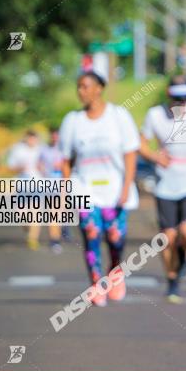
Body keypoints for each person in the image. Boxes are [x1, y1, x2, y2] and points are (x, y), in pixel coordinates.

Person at [59, 71, 139, 306]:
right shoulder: (72, 121)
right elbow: (65, 160)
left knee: (115, 237)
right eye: (78, 87)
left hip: (115, 188)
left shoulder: (118, 116)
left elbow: (130, 153)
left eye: (85, 86)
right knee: (91, 233)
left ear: (98, 89)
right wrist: (65, 191)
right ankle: (96, 281)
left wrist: (126, 187)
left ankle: (115, 271)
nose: (81, 91)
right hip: (85, 187)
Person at [139, 76, 186, 303]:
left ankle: (183, 251)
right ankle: (172, 283)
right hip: (167, 183)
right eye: (177, 98)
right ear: (169, 96)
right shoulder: (155, 115)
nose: (182, 103)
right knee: (167, 237)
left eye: (185, 98)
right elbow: (140, 142)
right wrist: (154, 156)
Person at [7, 130, 45, 250]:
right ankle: (27, 227)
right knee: (20, 213)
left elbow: (50, 165)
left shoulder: (41, 150)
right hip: (22, 185)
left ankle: (33, 239)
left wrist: (43, 168)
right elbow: (10, 167)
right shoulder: (18, 149)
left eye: (34, 138)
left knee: (36, 213)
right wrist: (19, 168)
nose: (32, 141)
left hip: (37, 184)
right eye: (30, 138)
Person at [38, 128, 65, 253]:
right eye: (53, 136)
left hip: (64, 184)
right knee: (53, 214)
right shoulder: (45, 149)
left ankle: (62, 230)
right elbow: (39, 163)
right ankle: (55, 240)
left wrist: (63, 166)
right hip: (50, 185)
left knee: (60, 213)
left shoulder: (65, 149)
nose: (55, 138)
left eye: (57, 136)